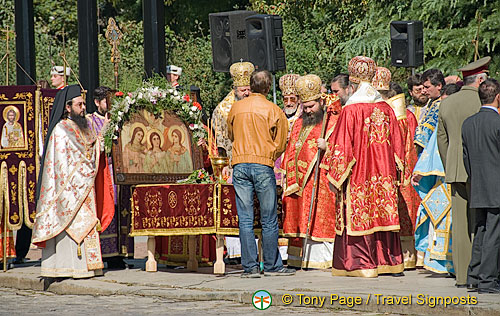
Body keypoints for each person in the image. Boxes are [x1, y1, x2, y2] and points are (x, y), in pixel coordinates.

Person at [324, 56, 405, 277]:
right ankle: (388, 261)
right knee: (382, 213)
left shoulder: (351, 110)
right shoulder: (386, 108)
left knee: (360, 213)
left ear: (353, 84)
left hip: (359, 174)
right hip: (384, 174)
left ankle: (361, 263)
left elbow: (341, 147)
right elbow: (399, 146)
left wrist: (334, 175)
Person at [31, 85, 114, 278]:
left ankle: (88, 266)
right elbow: (63, 166)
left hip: (84, 188)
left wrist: (103, 137)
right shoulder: (60, 130)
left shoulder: (82, 126)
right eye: (79, 104)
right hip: (68, 191)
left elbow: (91, 148)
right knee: (71, 228)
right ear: (68, 107)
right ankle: (67, 267)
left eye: (84, 104)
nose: (83, 107)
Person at [227, 70, 294, 277]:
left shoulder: (236, 108)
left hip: (239, 164)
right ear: (267, 88)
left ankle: (250, 267)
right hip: (263, 165)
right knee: (269, 218)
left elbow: (230, 134)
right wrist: (269, 153)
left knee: (245, 219)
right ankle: (273, 266)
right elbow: (281, 141)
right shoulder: (273, 110)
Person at [437, 56, 490, 288]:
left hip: (456, 167)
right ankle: (483, 273)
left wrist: (451, 163)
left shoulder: (446, 103)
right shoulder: (485, 102)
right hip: (484, 169)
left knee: (459, 224)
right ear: (480, 80)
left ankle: (462, 275)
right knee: (484, 223)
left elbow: (442, 140)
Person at [281, 74, 341, 269]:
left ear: (320, 102)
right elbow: (291, 150)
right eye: (305, 107)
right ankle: (299, 259)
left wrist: (328, 147)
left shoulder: (332, 121)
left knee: (322, 216)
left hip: (322, 178)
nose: (307, 111)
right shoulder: (299, 122)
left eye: (311, 107)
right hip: (298, 182)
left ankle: (323, 259)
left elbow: (343, 149)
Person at [373, 68, 420, 270]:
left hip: (392, 171)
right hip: (406, 171)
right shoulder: (408, 115)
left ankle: (393, 255)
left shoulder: (387, 115)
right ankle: (408, 257)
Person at [87, 86, 134, 269]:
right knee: (108, 210)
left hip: (121, 174)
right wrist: (106, 128)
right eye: (107, 101)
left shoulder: (120, 120)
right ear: (97, 102)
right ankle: (107, 253)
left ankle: (121, 252)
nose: (110, 104)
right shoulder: (90, 121)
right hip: (104, 173)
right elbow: (92, 147)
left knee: (123, 210)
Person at [212, 61, 254, 261]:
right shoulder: (223, 110)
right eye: (243, 90)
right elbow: (222, 140)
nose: (246, 93)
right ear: (235, 89)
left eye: (249, 89)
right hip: (232, 164)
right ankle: (237, 251)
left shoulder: (256, 104)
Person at [462, 78, 500, 294]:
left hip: (477, 184)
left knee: (481, 231)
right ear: (498, 97)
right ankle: (487, 280)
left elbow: (466, 157)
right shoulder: (497, 122)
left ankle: (474, 277)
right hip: (496, 186)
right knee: (494, 234)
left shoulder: (468, 123)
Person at [414, 69, 445, 152]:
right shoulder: (433, 101)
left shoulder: (442, 103)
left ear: (439, 86)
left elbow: (426, 133)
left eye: (427, 87)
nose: (423, 91)